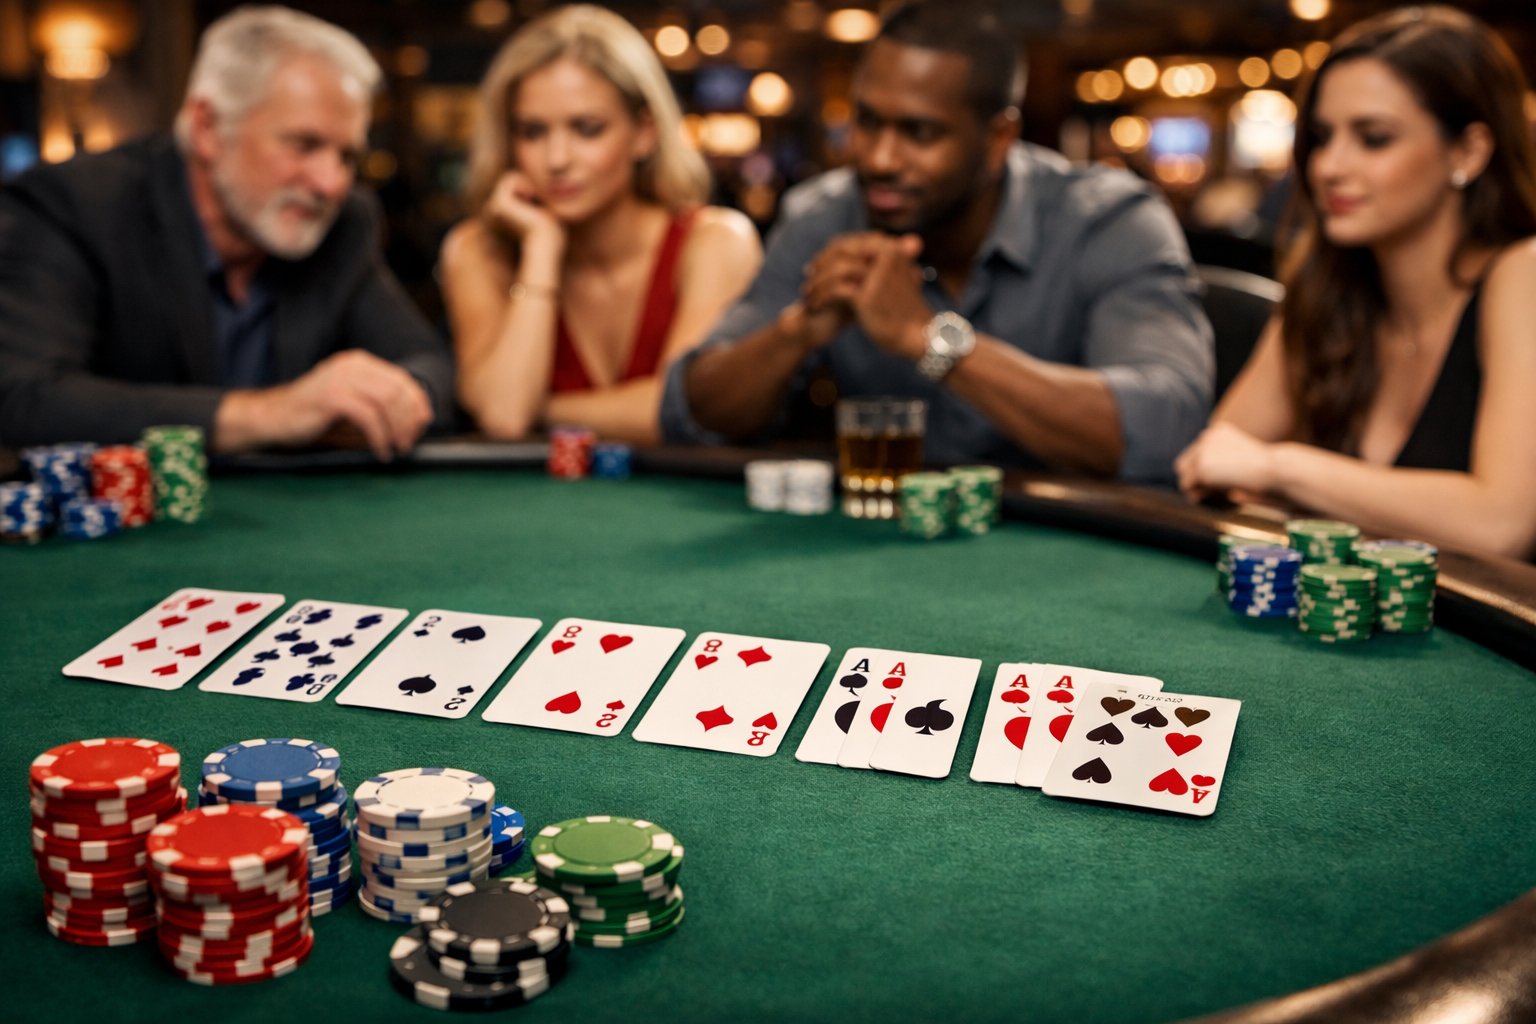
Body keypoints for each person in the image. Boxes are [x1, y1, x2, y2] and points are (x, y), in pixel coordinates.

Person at [660, 0, 1212, 481]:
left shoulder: (1110, 220)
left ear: (999, 139)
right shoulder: (824, 216)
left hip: (1082, 561)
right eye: (868, 122)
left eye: (919, 133)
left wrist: (930, 339)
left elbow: (1167, 427)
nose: (878, 158)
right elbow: (690, 412)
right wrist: (793, 334)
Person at [0, 5, 452, 461]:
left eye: (347, 156)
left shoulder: (346, 224)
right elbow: (22, 398)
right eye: (305, 145)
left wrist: (388, 400)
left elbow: (429, 365)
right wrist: (271, 414)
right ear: (207, 129)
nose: (332, 183)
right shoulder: (75, 205)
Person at [1175, 6, 1536, 559]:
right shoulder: (1324, 287)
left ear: (1468, 151)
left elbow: (1500, 523)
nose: (1328, 166)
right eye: (1322, 137)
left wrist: (1282, 467)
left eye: (1373, 138)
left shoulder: (1522, 273)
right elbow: (1215, 462)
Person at [441, 4, 761, 443]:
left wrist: (542, 409)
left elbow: (682, 414)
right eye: (533, 132)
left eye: (587, 129)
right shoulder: (477, 250)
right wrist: (541, 249)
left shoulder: (716, 242)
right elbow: (506, 417)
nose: (557, 160)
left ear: (645, 132)